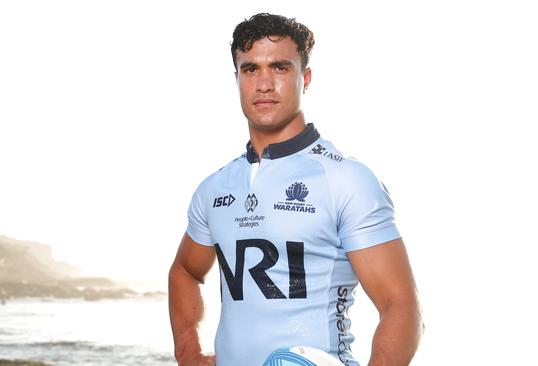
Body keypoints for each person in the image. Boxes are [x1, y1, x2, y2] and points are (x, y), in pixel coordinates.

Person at [169, 13, 423, 366]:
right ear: (237, 79)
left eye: (280, 68)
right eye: (250, 69)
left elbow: (401, 305)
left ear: (305, 78)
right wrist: (189, 353)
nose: (264, 84)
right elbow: (185, 270)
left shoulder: (345, 180)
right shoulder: (214, 188)